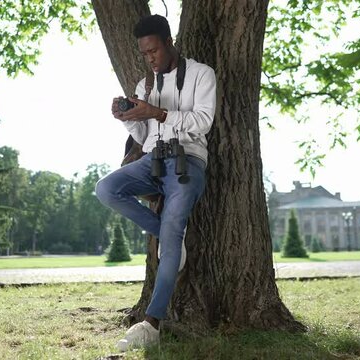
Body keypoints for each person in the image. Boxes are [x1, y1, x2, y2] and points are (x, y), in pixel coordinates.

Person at [94, 14, 217, 352]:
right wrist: (127, 117)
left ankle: (152, 323)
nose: (150, 59)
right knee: (105, 189)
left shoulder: (202, 74)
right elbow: (143, 135)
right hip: (151, 160)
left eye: (154, 51)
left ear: (168, 43)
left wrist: (157, 113)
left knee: (175, 229)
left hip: (187, 161)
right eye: (144, 54)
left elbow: (203, 122)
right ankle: (167, 235)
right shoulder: (144, 85)